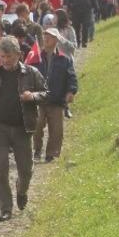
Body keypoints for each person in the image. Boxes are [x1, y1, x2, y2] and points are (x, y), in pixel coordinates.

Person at [0, 36, 48, 221]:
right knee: (0, 168)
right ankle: (5, 208)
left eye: (9, 57)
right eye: (1, 56)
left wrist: (34, 96)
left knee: (26, 170)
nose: (5, 61)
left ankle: (21, 189)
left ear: (19, 55)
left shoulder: (31, 73)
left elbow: (47, 94)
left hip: (22, 128)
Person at [33, 28, 78, 163]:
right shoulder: (36, 58)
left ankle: (51, 153)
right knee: (37, 124)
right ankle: (37, 149)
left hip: (57, 99)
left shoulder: (64, 59)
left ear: (57, 40)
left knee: (56, 129)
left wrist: (71, 91)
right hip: (39, 99)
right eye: (45, 36)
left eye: (50, 36)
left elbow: (72, 77)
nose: (46, 39)